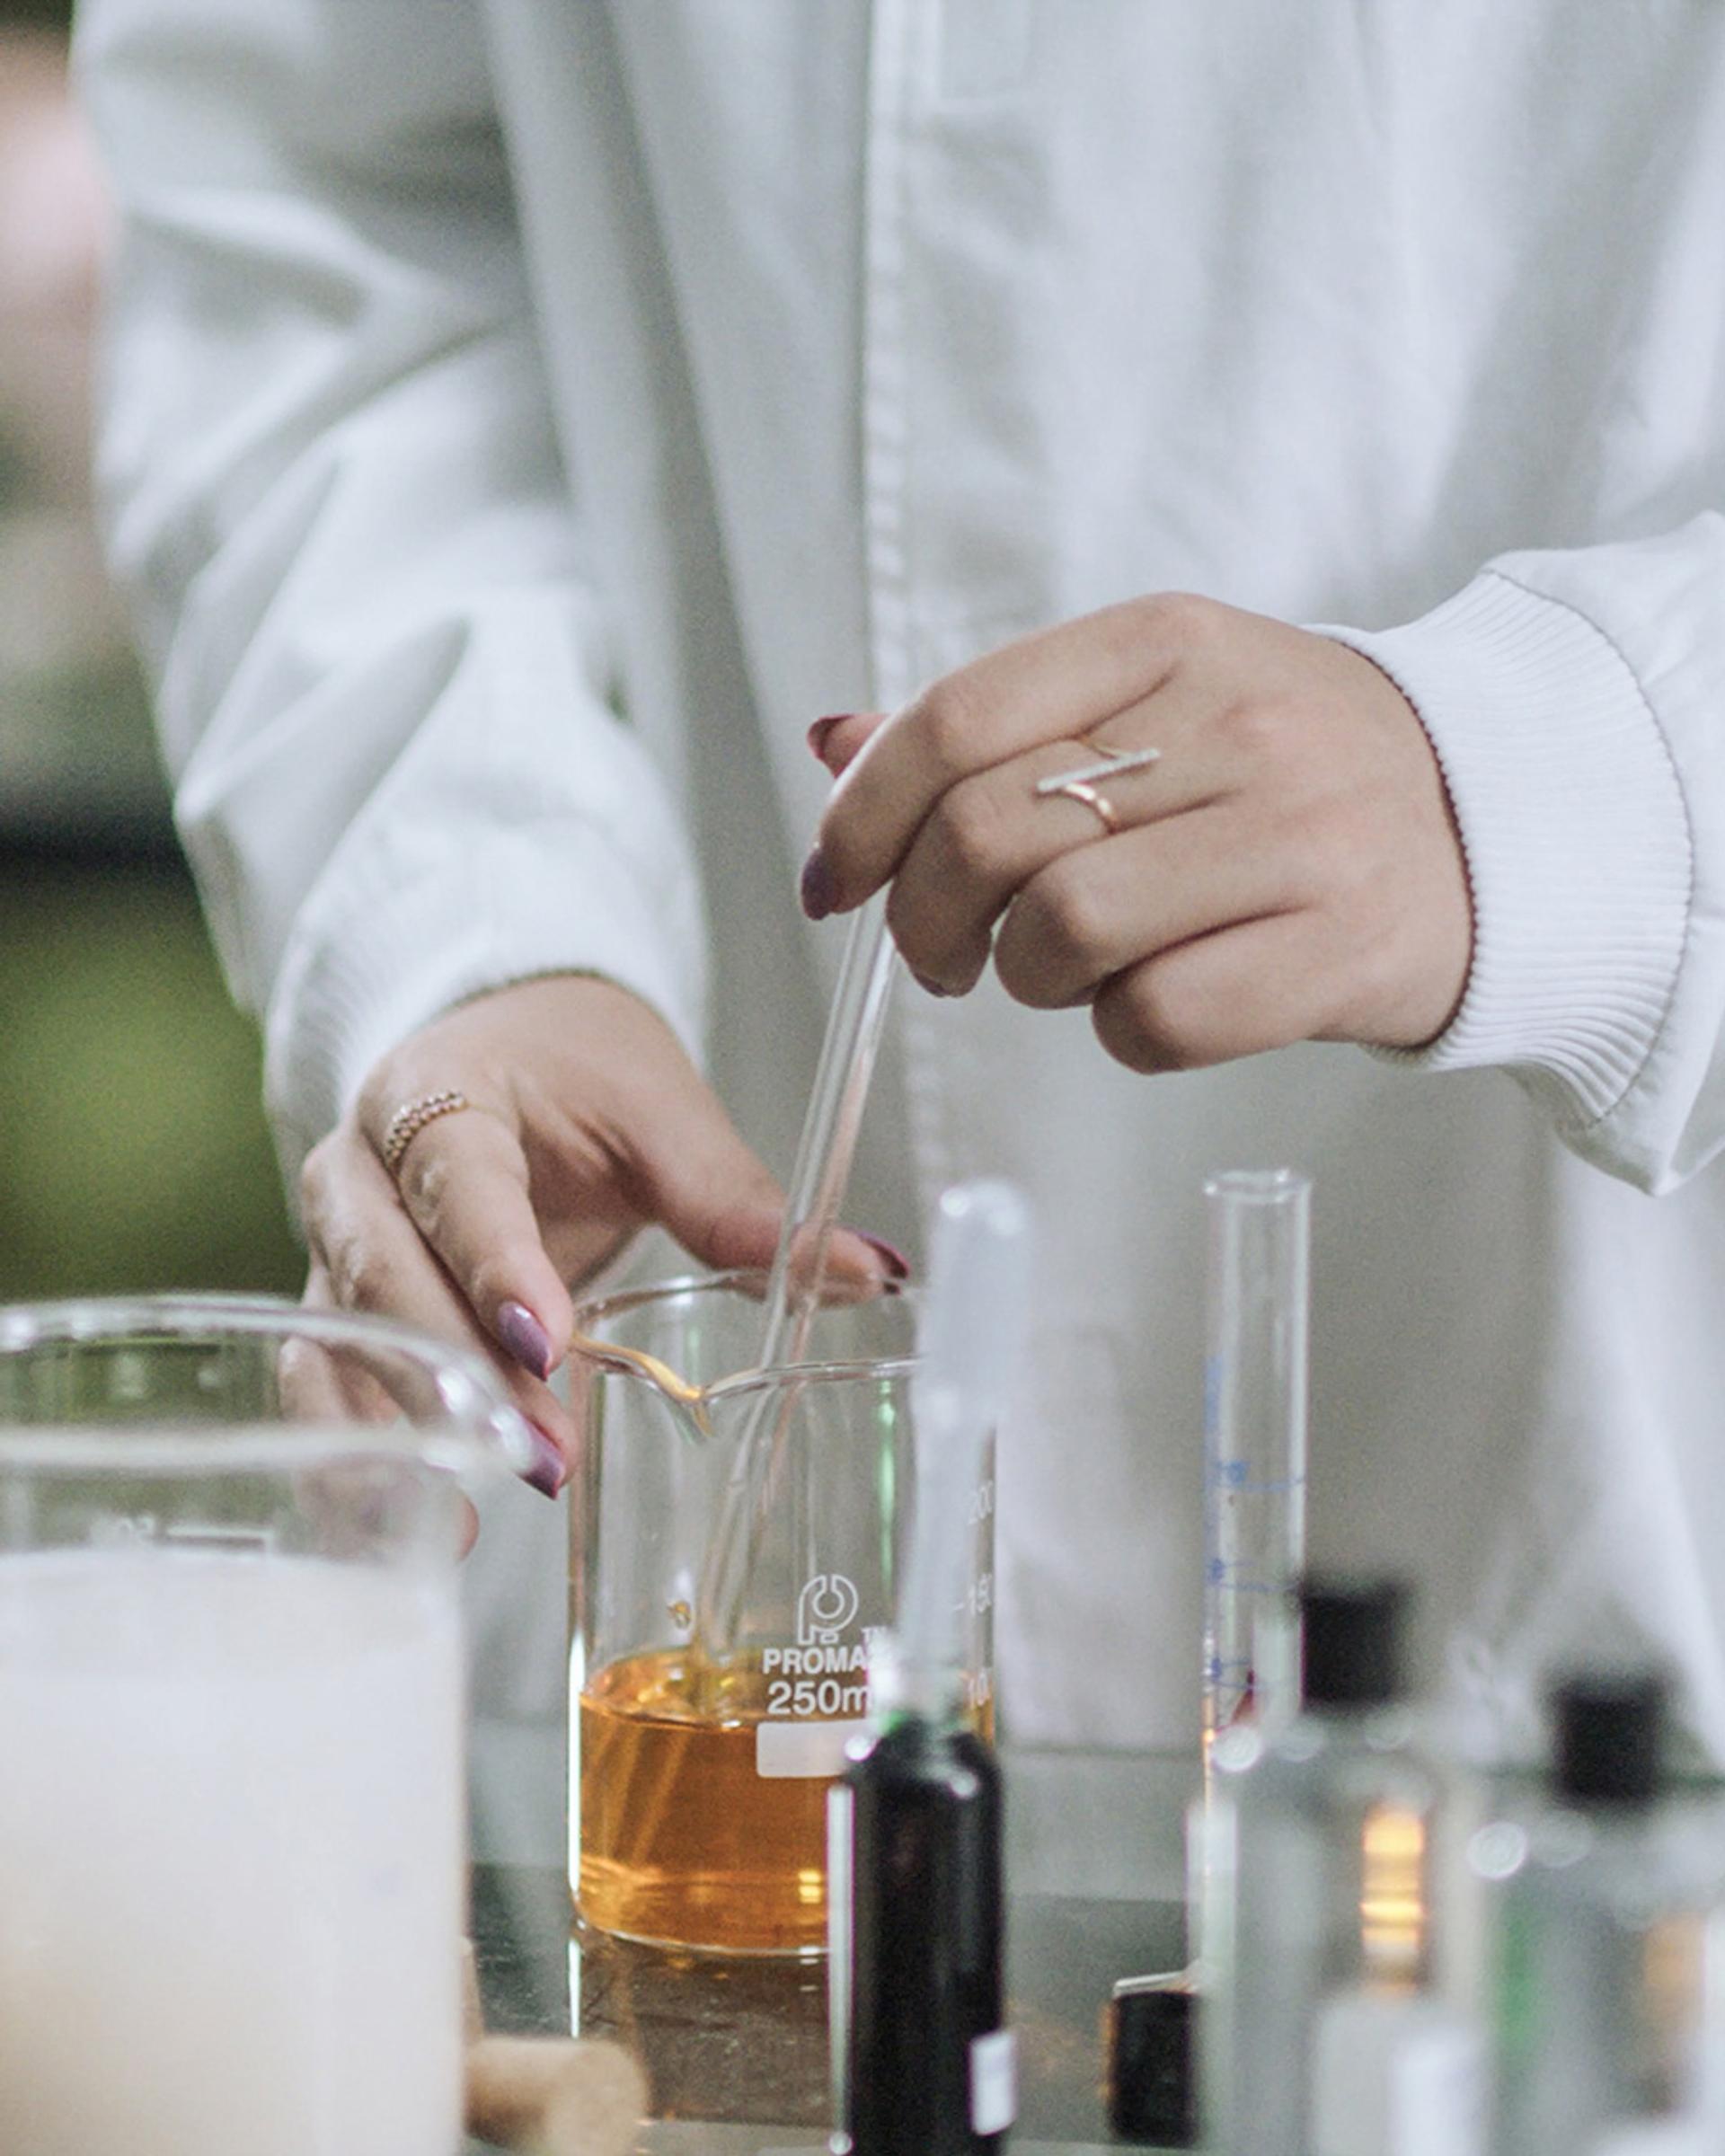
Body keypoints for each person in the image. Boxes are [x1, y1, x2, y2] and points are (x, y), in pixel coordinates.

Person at [75, 1, 1725, 1757]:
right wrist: (479, 908)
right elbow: (322, 227)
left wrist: (1580, 764)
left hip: (1602, 1490)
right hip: (668, 1497)